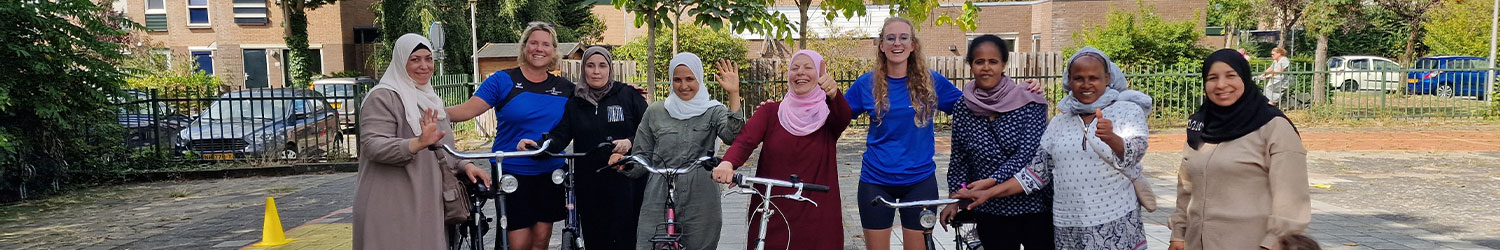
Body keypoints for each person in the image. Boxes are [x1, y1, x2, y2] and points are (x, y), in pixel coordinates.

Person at [952, 47, 1152, 249]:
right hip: (1069, 225)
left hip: (1114, 220)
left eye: (1094, 78)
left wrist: (1112, 139)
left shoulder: (1127, 110)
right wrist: (989, 192)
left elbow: (1135, 152)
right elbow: (1036, 174)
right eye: (1078, 78)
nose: (1086, 84)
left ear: (1107, 78)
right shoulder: (1060, 122)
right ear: (1069, 80)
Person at [353, 33, 492, 250]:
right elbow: (373, 146)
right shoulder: (383, 97)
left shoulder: (431, 100)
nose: (424, 66)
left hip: (428, 203)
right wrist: (417, 143)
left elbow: (445, 151)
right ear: (400, 62)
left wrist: (467, 165)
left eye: (428, 59)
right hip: (391, 204)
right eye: (415, 59)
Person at [444, 22, 571, 250]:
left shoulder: (565, 87)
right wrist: (430, 111)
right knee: (518, 242)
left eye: (545, 44)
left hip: (550, 170)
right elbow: (466, 110)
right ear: (524, 47)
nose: (539, 48)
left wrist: (627, 95)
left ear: (553, 51)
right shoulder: (502, 80)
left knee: (541, 240)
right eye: (533, 43)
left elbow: (597, 99)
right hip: (512, 171)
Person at [1167, 49, 1310, 250]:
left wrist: (1272, 243)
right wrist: (1179, 233)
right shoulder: (1200, 125)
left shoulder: (1273, 127)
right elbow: (1187, 188)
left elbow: (1291, 196)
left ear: (1244, 77)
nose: (1221, 85)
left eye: (1231, 76)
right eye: (1212, 78)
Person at [844, 16, 964, 250]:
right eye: (890, 38)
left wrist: (1019, 93)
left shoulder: (932, 82)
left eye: (903, 38)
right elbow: (833, 116)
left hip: (919, 181)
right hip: (875, 181)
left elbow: (972, 106)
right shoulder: (865, 84)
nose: (896, 43)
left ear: (913, 45)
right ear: (881, 45)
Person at [712, 50, 850, 250]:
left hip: (817, 211)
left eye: (808, 67)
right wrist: (727, 163)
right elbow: (745, 140)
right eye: (794, 68)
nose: (800, 72)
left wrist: (834, 95)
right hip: (772, 208)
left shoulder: (829, 115)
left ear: (820, 73)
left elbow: (844, 117)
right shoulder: (771, 112)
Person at [517, 46, 651, 249]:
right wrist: (538, 147)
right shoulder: (575, 102)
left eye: (602, 65)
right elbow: (560, 136)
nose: (596, 71)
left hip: (626, 183)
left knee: (626, 239)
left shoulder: (627, 95)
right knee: (595, 239)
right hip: (589, 184)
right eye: (590, 65)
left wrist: (630, 142)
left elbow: (649, 129)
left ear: (610, 69)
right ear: (583, 69)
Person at [938, 35, 1053, 250]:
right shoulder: (963, 107)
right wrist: (955, 197)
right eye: (979, 62)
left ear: (1004, 65)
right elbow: (960, 158)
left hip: (1033, 205)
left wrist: (991, 181)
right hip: (988, 208)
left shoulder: (1030, 100)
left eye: (993, 62)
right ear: (970, 65)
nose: (986, 68)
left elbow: (1028, 154)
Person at [620, 52, 745, 250]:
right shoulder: (656, 111)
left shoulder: (713, 110)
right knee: (649, 243)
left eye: (690, 79)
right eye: (677, 79)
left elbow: (734, 136)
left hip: (701, 192)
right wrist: (623, 163)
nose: (683, 85)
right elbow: (641, 157)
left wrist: (733, 94)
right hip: (659, 192)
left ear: (699, 78)